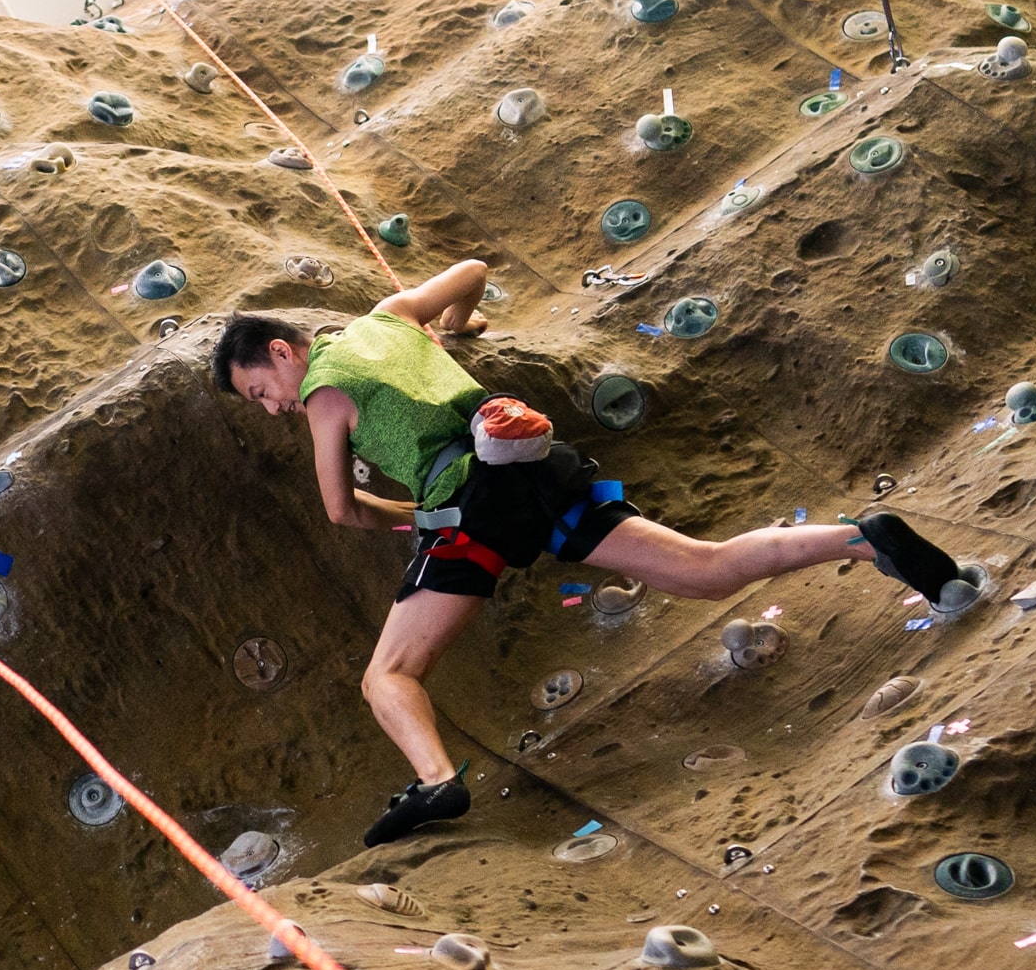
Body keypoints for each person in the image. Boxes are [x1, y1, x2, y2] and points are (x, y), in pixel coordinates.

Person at [213, 260, 968, 847]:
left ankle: (438, 779)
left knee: (388, 676)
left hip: (472, 508)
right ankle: (862, 539)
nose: (273, 407)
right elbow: (472, 272)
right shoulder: (389, 316)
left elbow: (341, 509)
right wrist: (460, 327)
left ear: (282, 351)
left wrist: (416, 517)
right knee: (702, 569)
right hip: (532, 460)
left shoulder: (324, 395)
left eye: (260, 391)